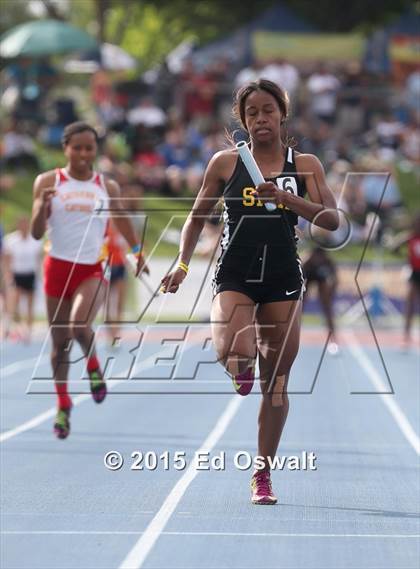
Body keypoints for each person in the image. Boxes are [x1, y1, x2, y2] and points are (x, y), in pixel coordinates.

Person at [160, 79, 338, 504]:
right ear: (243, 120)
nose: (261, 118)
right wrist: (183, 264)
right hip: (235, 273)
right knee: (236, 355)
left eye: (268, 110)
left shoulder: (306, 164)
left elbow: (331, 220)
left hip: (282, 277)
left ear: (282, 115)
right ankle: (240, 366)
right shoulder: (226, 163)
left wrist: (286, 199)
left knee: (276, 384)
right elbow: (195, 217)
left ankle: (263, 475)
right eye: (252, 112)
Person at [30, 121, 149, 439]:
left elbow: (121, 218)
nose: (84, 154)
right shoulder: (47, 181)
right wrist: (43, 204)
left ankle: (94, 365)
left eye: (89, 148)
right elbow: (36, 232)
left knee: (80, 326)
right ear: (65, 148)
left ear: (95, 150)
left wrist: (136, 252)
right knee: (59, 345)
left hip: (91, 269)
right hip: (56, 268)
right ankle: (63, 404)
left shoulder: (105, 186)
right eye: (77, 147)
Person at [2, 216, 43, 342]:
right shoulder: (11, 240)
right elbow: (7, 259)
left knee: (30, 305)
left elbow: (38, 259)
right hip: (17, 274)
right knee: (14, 303)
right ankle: (9, 329)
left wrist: (39, 276)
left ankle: (28, 332)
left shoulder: (35, 241)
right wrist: (8, 275)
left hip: (30, 274)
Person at [302, 246, 338, 354]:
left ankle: (333, 338)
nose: (317, 260)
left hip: (321, 279)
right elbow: (297, 281)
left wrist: (331, 293)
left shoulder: (328, 262)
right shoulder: (306, 262)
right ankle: (293, 334)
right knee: (299, 307)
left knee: (327, 309)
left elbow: (335, 280)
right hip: (307, 277)